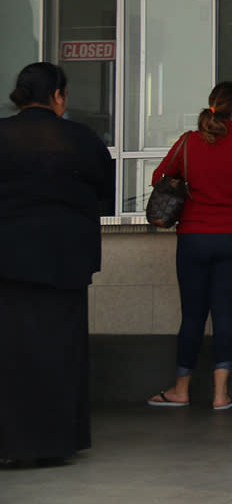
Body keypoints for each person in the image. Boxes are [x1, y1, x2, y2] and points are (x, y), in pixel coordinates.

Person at [0, 63, 113, 466]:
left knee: (9, 352)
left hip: (7, 261)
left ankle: (8, 441)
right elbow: (105, 190)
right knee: (60, 352)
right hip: (64, 261)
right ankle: (55, 440)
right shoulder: (81, 139)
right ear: (58, 96)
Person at [146, 81, 232, 411]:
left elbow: (159, 178)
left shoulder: (189, 143)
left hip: (192, 238)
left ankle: (181, 390)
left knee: (192, 315)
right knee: (225, 314)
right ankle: (220, 394)